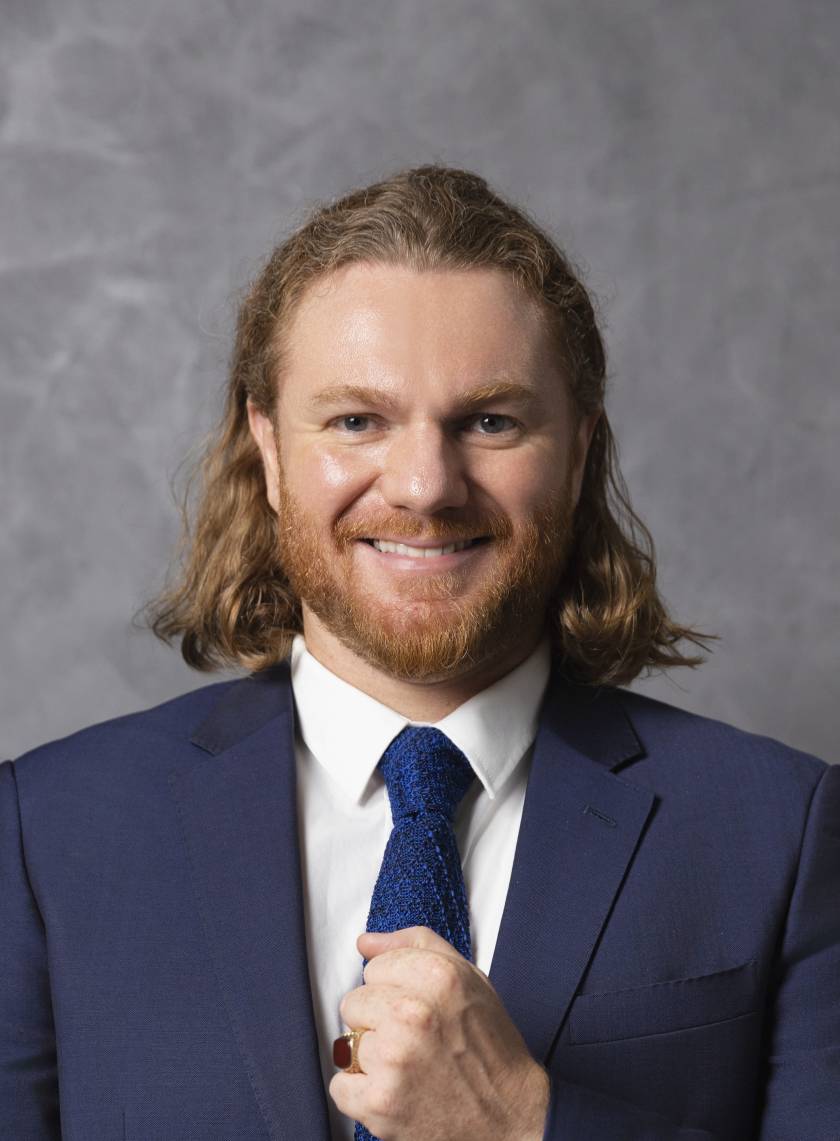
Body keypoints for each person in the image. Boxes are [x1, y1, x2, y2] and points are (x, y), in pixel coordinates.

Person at [1, 165, 837, 1141]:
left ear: (578, 452)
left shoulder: (784, 831)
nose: (425, 485)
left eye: (490, 421)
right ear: (268, 448)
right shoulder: (45, 833)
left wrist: (524, 1124)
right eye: (357, 420)